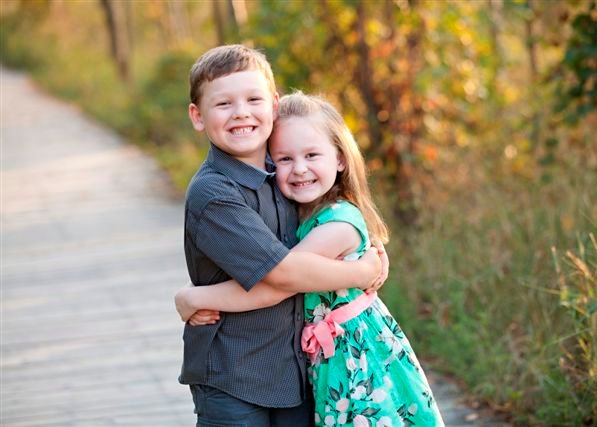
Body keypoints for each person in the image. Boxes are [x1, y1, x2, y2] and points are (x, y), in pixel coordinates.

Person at [176, 91, 445, 426]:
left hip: (357, 359)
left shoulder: (338, 224)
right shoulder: (293, 213)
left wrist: (193, 296)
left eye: (312, 155)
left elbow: (279, 281)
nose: (299, 169)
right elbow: (253, 259)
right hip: (323, 360)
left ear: (340, 159)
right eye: (284, 159)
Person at [181, 45, 387, 427]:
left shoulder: (284, 176)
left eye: (253, 99)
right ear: (198, 116)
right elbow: (285, 274)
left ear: (273, 106)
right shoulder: (214, 194)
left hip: (295, 371)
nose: (241, 112)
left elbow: (333, 221)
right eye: (224, 104)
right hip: (234, 374)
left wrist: (362, 246)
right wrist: (361, 272)